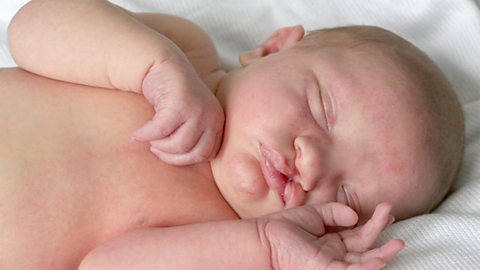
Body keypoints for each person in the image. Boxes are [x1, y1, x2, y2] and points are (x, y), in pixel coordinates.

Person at [1, 0, 464, 269]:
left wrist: (264, 247)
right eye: (320, 110)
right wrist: (150, 66)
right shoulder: (187, 54)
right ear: (272, 48)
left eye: (346, 195)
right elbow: (31, 24)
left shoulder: (221, 235)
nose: (312, 163)